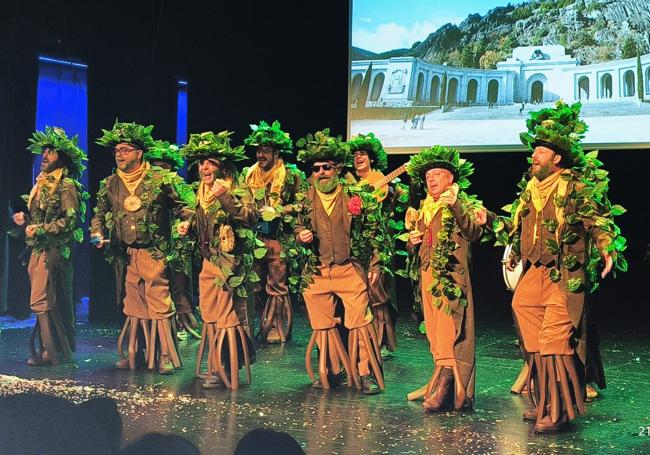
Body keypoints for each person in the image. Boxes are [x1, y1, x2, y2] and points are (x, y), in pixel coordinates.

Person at [491, 101, 626, 433]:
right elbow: (515, 227)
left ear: (558, 158)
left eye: (540, 151)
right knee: (530, 332)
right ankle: (545, 400)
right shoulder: (530, 190)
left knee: (554, 340)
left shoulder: (574, 186)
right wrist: (491, 223)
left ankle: (561, 410)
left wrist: (608, 246)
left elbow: (597, 222)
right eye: (534, 150)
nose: (534, 155)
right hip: (533, 273)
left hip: (563, 275)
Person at [91, 121, 193, 375]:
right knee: (134, 305)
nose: (119, 154)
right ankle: (135, 354)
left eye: (125, 149)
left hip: (153, 251)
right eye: (117, 150)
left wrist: (186, 222)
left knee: (158, 303)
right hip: (126, 254)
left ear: (139, 153)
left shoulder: (159, 179)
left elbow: (183, 206)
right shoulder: (111, 183)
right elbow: (100, 212)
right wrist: (96, 231)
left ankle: (166, 355)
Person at [294, 129, 386, 394]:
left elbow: (375, 231)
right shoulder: (303, 200)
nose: (321, 172)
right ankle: (333, 370)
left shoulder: (355, 196)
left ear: (337, 169)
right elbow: (294, 225)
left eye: (327, 167)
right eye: (316, 169)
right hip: (318, 270)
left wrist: (376, 264)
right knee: (323, 325)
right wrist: (300, 234)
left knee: (359, 322)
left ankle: (364, 372)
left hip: (348, 268)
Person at [404, 146, 485, 412]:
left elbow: (474, 234)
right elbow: (420, 242)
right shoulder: (425, 209)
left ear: (451, 178)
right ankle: (440, 380)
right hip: (428, 275)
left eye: (437, 174)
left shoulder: (464, 203)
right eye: (428, 176)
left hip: (451, 279)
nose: (431, 179)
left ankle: (447, 386)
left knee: (451, 333)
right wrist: (413, 243)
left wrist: (458, 207)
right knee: (436, 334)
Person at [179, 131, 257, 389]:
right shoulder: (200, 192)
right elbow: (201, 218)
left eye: (210, 162)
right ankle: (217, 364)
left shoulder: (236, 189)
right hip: (208, 262)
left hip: (230, 265)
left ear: (222, 166)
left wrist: (225, 195)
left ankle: (227, 366)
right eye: (201, 162)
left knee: (228, 318)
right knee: (211, 316)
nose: (204, 167)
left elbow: (249, 217)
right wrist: (188, 225)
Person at [12, 127, 87, 365]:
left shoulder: (66, 185)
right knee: (44, 298)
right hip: (38, 246)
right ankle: (48, 348)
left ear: (62, 158)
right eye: (44, 150)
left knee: (44, 298)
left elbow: (71, 220)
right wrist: (23, 218)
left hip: (54, 248)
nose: (45, 155)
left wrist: (44, 229)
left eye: (51, 151)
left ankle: (54, 352)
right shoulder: (41, 183)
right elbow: (37, 215)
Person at [242, 120, 304, 343]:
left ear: (276, 153)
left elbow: (302, 204)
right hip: (255, 237)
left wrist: (278, 210)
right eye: (258, 150)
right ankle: (261, 325)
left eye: (265, 151)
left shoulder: (290, 175)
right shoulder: (248, 174)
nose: (260, 155)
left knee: (277, 284)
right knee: (256, 285)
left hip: (279, 238)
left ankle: (277, 327)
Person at [347, 133, 405, 358]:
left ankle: (381, 341)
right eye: (355, 155)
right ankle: (362, 339)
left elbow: (395, 204)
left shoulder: (383, 181)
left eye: (363, 154)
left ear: (372, 158)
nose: (358, 158)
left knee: (378, 290)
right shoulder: (349, 182)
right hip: (355, 244)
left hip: (378, 243)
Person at [145, 140, 200, 339]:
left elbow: (188, 211)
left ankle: (182, 322)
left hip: (177, 245)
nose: (160, 171)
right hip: (155, 247)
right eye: (156, 166)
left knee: (178, 285)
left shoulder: (179, 186)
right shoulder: (148, 187)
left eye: (164, 167)